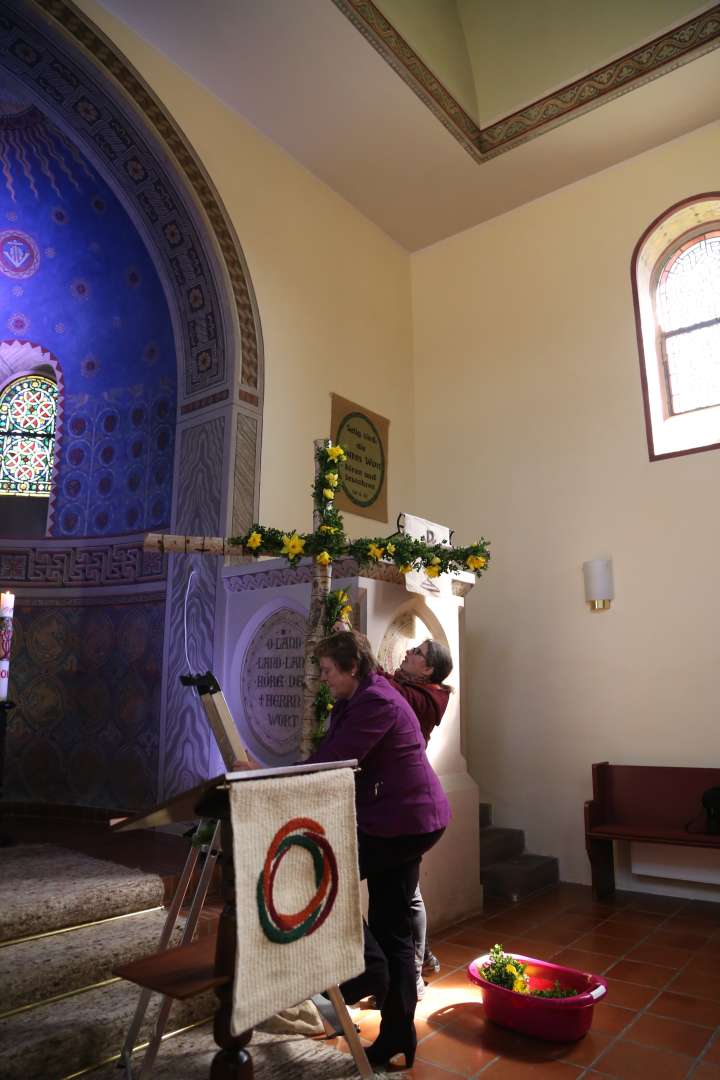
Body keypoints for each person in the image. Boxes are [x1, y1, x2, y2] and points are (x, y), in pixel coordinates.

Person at [305, 630, 450, 1068]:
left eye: (328, 671)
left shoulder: (376, 701)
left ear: (352, 667)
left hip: (403, 823)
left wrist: (263, 775)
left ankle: (369, 968)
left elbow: (333, 762)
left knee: (323, 875)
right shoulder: (361, 696)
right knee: (393, 929)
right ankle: (398, 1035)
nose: (324, 679)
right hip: (406, 820)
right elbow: (333, 750)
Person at [377, 639, 453, 996]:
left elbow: (383, 687)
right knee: (409, 892)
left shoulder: (423, 698)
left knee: (403, 897)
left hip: (411, 806)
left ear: (428, 670)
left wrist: (355, 649)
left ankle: (410, 977)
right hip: (400, 804)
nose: (408, 651)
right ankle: (415, 968)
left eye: (418, 652)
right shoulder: (414, 688)